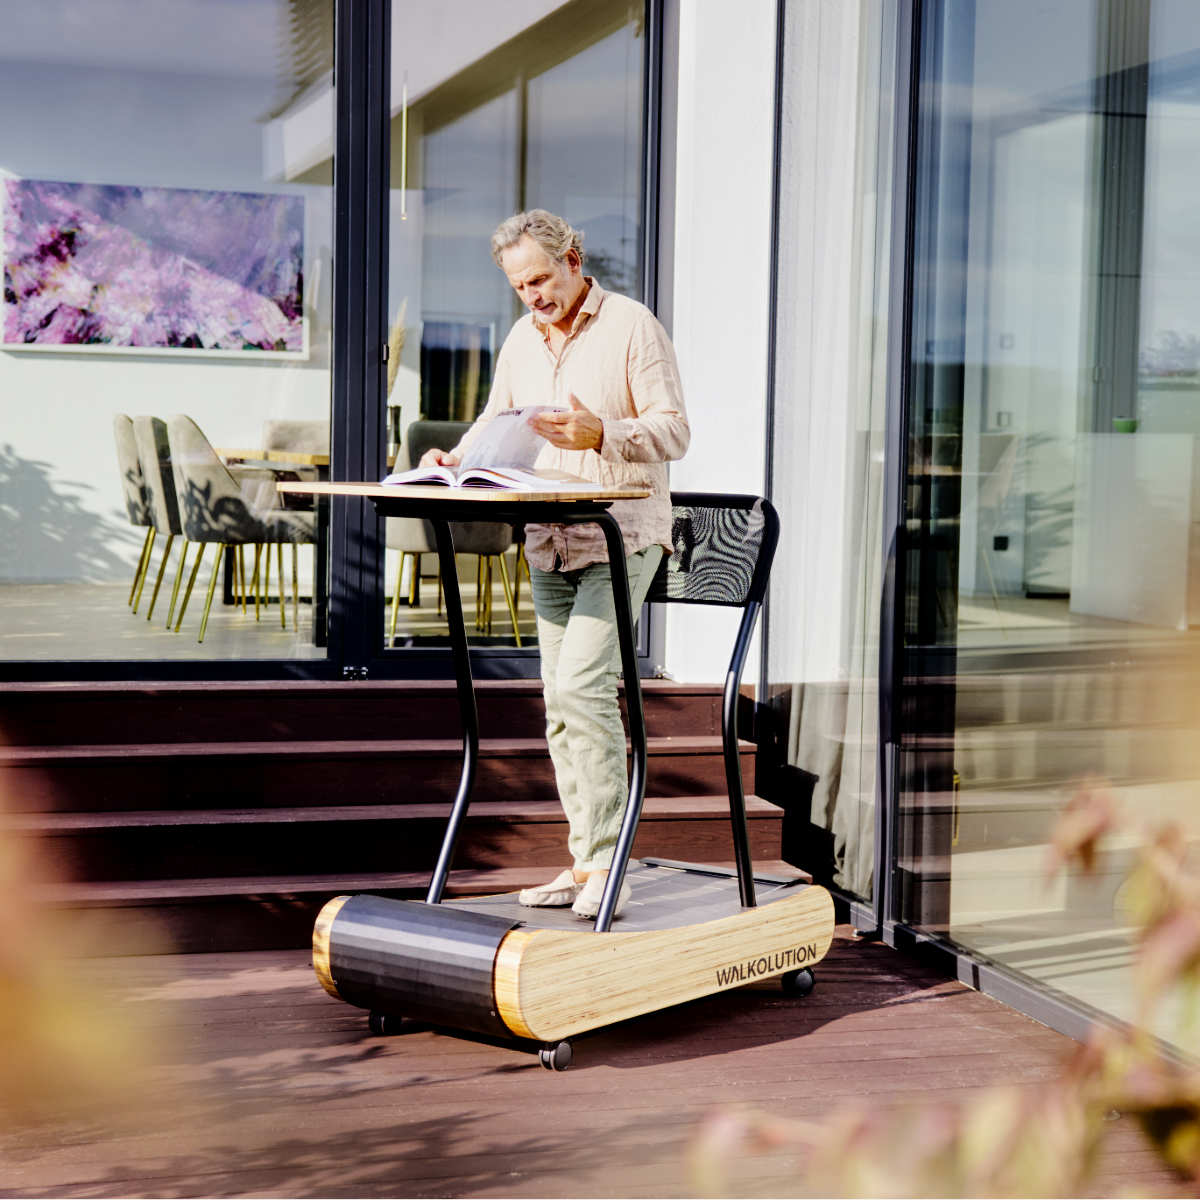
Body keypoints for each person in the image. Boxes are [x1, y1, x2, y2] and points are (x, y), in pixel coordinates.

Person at [421, 209, 690, 919]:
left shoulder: (632, 325)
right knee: (559, 706)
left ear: (574, 257)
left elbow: (675, 430)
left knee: (582, 688)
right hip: (549, 538)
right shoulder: (521, 337)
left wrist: (603, 431)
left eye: (540, 278)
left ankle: (608, 866)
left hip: (621, 534)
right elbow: (495, 420)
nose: (533, 295)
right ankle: (584, 863)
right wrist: (456, 458)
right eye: (519, 286)